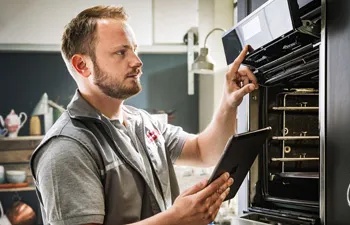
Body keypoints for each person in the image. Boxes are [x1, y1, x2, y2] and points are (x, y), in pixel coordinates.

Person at [30, 5, 258, 225]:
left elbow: (203, 151)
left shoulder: (143, 123)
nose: (137, 62)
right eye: (121, 52)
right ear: (82, 65)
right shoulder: (66, 148)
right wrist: (177, 219)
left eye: (134, 50)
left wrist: (229, 101)